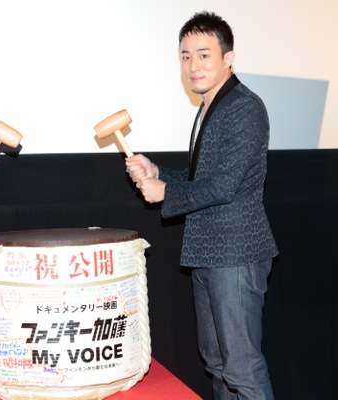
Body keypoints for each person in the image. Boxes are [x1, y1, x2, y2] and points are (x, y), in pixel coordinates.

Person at [125, 11, 278, 400]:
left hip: (236, 253)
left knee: (241, 367)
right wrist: (157, 171)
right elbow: (201, 178)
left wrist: (166, 192)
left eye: (204, 55)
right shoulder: (209, 107)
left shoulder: (245, 107)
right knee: (217, 365)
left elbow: (225, 186)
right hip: (208, 252)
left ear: (228, 58)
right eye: (186, 56)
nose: (193, 65)